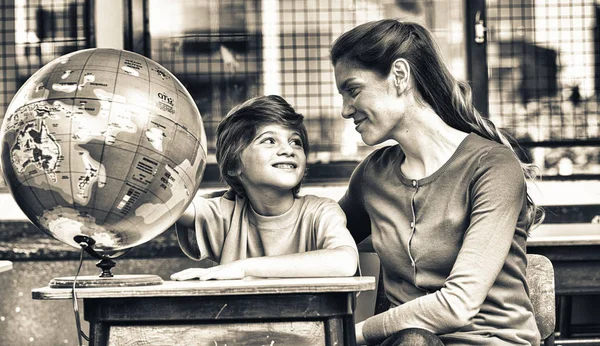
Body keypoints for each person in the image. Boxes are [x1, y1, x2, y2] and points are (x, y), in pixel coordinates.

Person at [330, 19, 545, 345]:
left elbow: (457, 305)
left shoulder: (492, 167)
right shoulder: (372, 176)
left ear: (399, 76)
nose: (346, 110)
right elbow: (317, 235)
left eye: (353, 90)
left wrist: (349, 336)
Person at [171, 95, 358, 281]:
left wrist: (244, 268)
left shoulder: (320, 212)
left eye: (295, 142)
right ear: (234, 165)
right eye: (269, 140)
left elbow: (345, 261)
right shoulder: (226, 215)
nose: (288, 149)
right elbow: (165, 199)